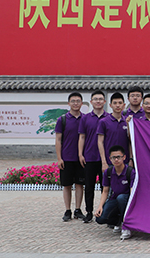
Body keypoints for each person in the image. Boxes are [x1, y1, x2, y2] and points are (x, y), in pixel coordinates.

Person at [78, 90, 108, 223]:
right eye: (95, 99)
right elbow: (82, 137)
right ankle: (89, 212)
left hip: (105, 159)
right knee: (89, 186)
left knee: (105, 187)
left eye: (100, 99)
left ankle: (104, 211)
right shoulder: (85, 118)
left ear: (104, 102)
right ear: (91, 102)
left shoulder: (109, 118)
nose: (98, 101)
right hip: (89, 157)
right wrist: (80, 154)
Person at [56, 92, 85, 222]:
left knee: (80, 184)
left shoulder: (85, 119)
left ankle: (78, 210)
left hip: (81, 158)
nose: (75, 103)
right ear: (68, 103)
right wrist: (59, 158)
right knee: (67, 185)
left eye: (78, 101)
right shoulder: (62, 120)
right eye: (73, 101)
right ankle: (67, 210)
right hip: (66, 157)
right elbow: (58, 140)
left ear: (82, 103)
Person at [95, 145, 135, 240]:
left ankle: (127, 226)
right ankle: (118, 222)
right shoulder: (108, 172)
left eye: (118, 157)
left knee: (121, 198)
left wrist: (130, 209)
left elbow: (132, 192)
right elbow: (105, 191)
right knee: (100, 218)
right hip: (115, 199)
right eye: (113, 157)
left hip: (126, 199)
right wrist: (100, 206)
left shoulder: (130, 172)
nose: (116, 160)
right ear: (110, 159)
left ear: (124, 157)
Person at [98, 93, 130, 172]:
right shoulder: (103, 122)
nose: (117, 105)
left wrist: (131, 159)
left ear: (124, 105)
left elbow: (130, 142)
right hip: (109, 162)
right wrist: (104, 162)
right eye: (115, 103)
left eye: (120, 103)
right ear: (110, 105)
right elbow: (100, 142)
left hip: (125, 162)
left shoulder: (128, 122)